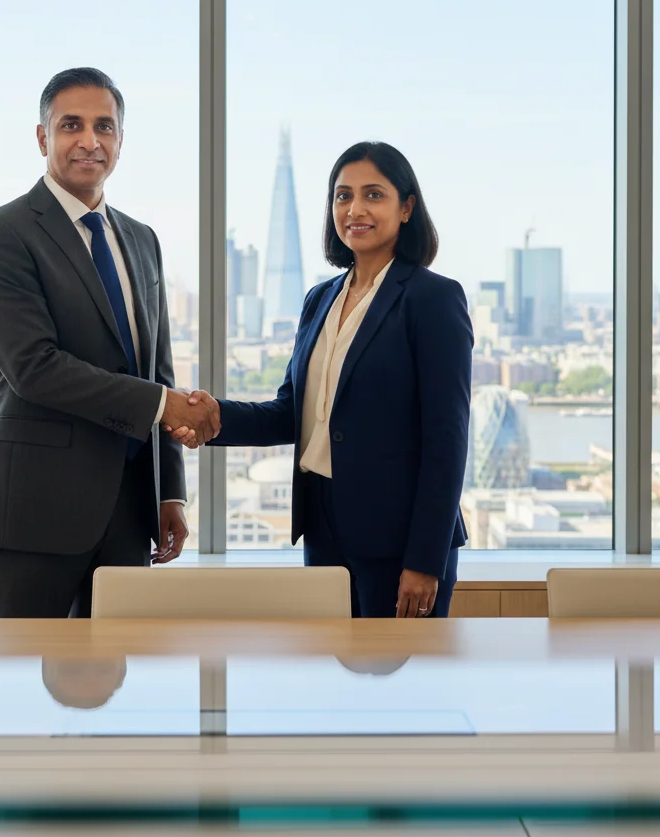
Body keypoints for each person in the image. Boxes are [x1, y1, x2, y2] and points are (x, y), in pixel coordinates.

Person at [169, 141, 472, 619]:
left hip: (400, 541)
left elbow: (447, 440)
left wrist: (424, 559)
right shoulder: (320, 299)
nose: (355, 209)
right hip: (324, 528)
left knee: (403, 688)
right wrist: (213, 418)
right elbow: (294, 412)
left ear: (407, 207)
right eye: (342, 195)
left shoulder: (432, 299)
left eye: (374, 195)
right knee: (335, 685)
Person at [0, 67, 219, 618]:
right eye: (71, 125)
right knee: (20, 683)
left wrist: (168, 491)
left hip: (129, 514)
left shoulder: (141, 240)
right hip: (35, 511)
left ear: (120, 141)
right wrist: (162, 405)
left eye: (105, 126)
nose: (89, 140)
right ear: (42, 138)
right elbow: (35, 368)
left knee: (117, 692)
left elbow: (159, 372)